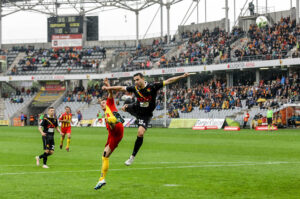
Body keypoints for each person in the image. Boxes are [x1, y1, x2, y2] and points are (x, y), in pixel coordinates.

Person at [102, 72, 190, 166]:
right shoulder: (134, 88)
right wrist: (108, 88)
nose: (136, 82)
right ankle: (126, 108)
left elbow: (169, 81)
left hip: (145, 115)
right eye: (134, 80)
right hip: (136, 108)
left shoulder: (153, 86)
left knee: (140, 133)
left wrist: (182, 76)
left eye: (137, 79)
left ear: (143, 79)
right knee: (125, 106)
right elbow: (120, 88)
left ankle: (132, 157)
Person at [94, 78, 124, 190]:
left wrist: (108, 85)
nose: (102, 104)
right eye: (101, 103)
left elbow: (110, 93)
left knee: (105, 155)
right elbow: (110, 128)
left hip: (117, 132)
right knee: (104, 156)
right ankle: (101, 179)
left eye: (103, 102)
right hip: (112, 132)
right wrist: (111, 123)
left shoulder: (110, 104)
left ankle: (102, 179)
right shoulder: (106, 117)